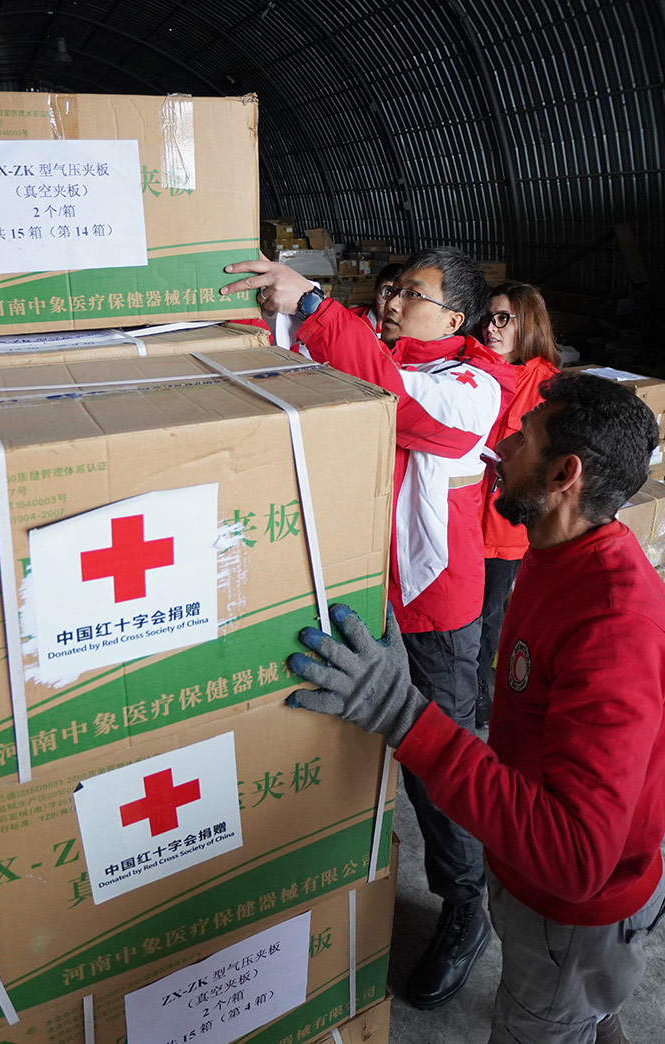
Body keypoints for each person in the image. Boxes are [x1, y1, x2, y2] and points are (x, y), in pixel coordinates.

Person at [285, 372, 665, 1044]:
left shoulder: (616, 628)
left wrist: (403, 715)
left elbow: (573, 854)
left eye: (522, 437)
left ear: (565, 473)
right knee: (588, 1009)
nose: (497, 446)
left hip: (573, 917)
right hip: (543, 901)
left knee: (554, 1017)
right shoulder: (557, 554)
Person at [223, 247, 516, 1009]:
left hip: (433, 611)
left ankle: (464, 906)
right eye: (390, 291)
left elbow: (399, 404)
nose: (390, 303)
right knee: (348, 742)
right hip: (361, 592)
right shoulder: (375, 354)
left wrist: (316, 308)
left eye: (411, 295)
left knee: (437, 766)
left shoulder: (474, 386)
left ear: (456, 317)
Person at [475, 280, 563, 729]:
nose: (492, 327)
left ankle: (476, 697)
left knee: (488, 614)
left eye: (503, 318)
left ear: (528, 324)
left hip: (503, 524)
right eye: (489, 317)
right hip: (465, 514)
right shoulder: (473, 366)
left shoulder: (549, 387)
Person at [353, 262, 406, 335]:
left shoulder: (417, 330)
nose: (391, 304)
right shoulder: (350, 320)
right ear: (375, 292)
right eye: (387, 293)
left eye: (402, 296)